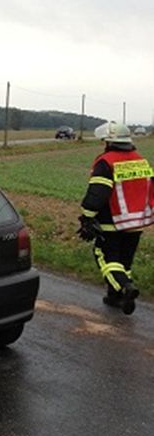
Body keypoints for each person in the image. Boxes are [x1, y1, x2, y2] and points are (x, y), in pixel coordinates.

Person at [78, 121, 154, 314]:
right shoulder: (141, 160)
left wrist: (87, 218)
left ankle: (125, 288)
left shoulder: (106, 162)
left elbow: (97, 194)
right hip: (136, 223)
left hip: (111, 222)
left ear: (109, 141)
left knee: (105, 257)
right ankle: (115, 297)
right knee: (124, 262)